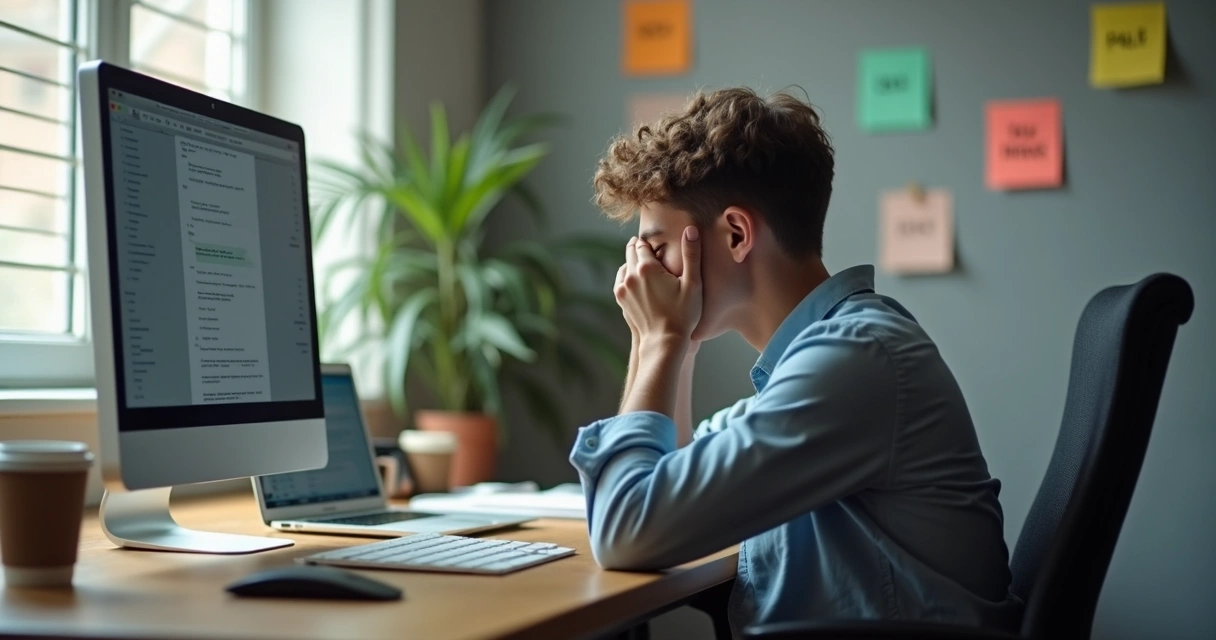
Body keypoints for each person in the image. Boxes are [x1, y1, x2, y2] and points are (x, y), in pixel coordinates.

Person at [568, 87, 1023, 634]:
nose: (643, 274)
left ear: (736, 234)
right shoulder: (817, 363)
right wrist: (673, 346)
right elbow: (675, 483)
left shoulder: (855, 361)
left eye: (655, 247)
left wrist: (661, 339)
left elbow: (627, 532)